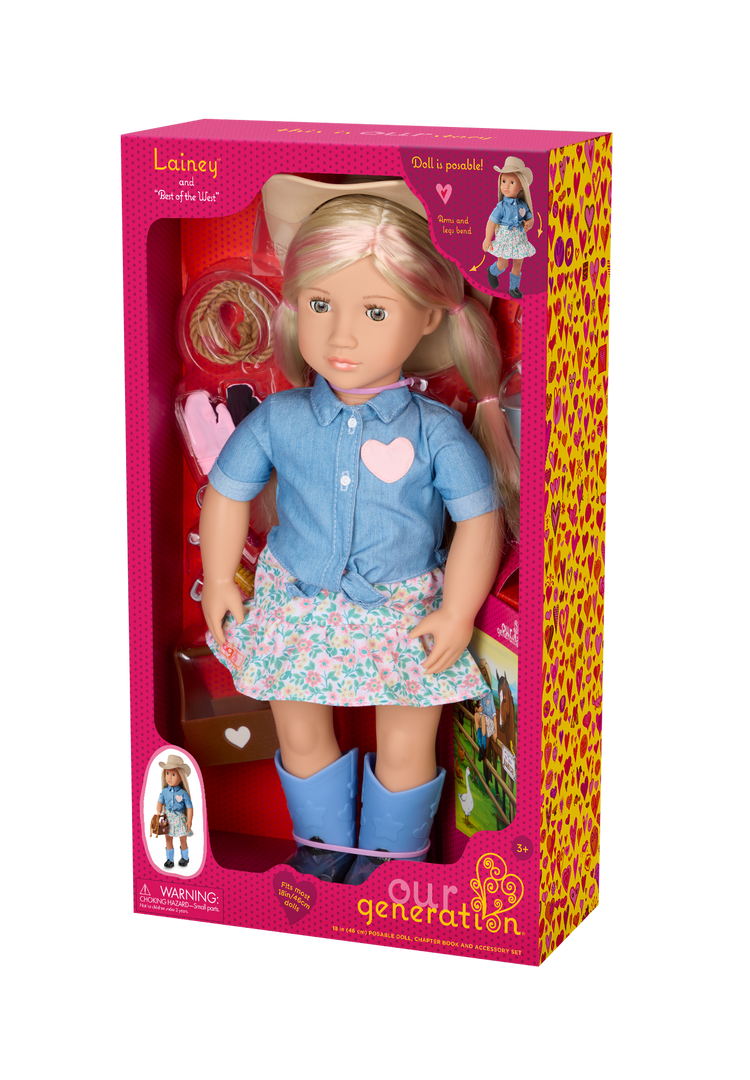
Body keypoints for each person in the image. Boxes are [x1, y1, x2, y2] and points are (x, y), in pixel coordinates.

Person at [199, 184, 520, 885]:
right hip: (296, 601)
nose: (341, 336)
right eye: (321, 305)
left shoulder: (437, 432)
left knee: (408, 736)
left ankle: (392, 861)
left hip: (405, 609)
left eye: (375, 312)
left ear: (428, 314)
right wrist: (219, 578)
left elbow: (479, 520)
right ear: (294, 304)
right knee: (299, 727)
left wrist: (458, 610)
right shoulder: (281, 418)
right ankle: (320, 847)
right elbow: (225, 493)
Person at [482, 157, 541, 298]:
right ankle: (492, 271)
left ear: (521, 186)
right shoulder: (501, 206)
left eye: (512, 182)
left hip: (519, 238)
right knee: (503, 263)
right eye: (503, 181)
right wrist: (487, 238)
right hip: (505, 239)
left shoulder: (523, 205)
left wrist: (529, 224)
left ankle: (514, 288)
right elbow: (491, 222)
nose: (506, 186)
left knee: (518, 263)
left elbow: (530, 218)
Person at [155, 754, 194, 869]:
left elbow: (189, 807)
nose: (169, 777)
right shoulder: (164, 791)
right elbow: (159, 802)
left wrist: (189, 820)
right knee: (167, 838)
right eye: (167, 773)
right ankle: (169, 859)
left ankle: (185, 858)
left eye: (173, 774)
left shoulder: (183, 793)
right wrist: (158, 812)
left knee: (182, 838)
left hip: (179, 819)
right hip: (166, 818)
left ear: (181, 777)